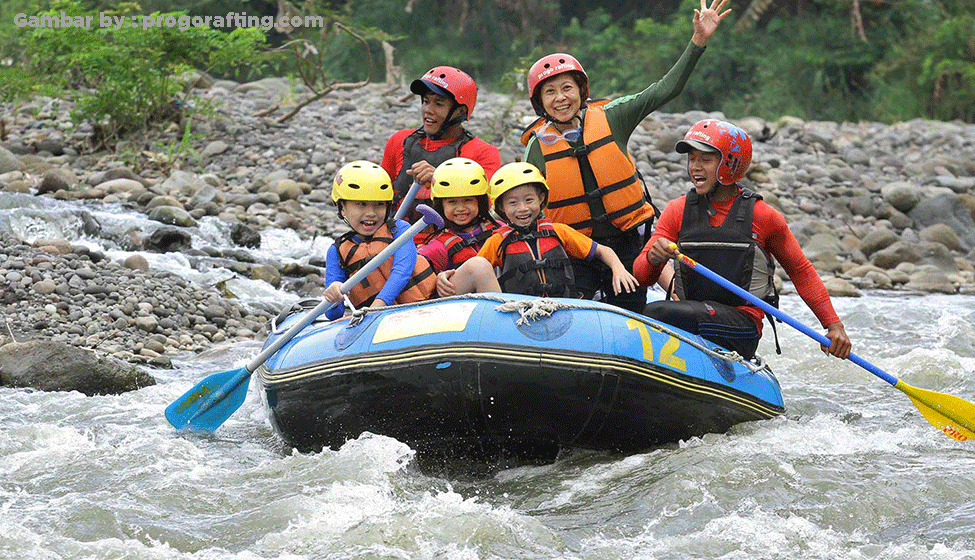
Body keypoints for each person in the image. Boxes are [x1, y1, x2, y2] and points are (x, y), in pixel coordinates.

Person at [521, 0, 732, 313]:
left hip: (627, 242)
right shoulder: (536, 148)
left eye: (566, 87)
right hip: (576, 251)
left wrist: (698, 42)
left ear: (581, 90)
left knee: (631, 311)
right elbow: (525, 206)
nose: (560, 98)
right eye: (549, 92)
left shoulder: (613, 117)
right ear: (540, 103)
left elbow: (665, 89)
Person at [633, 119, 852, 360]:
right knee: (643, 312)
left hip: (741, 326)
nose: (695, 167)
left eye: (705, 160)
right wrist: (653, 259)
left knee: (658, 313)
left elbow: (800, 272)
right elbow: (642, 275)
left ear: (729, 165)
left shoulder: (763, 216)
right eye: (692, 158)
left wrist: (833, 326)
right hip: (689, 313)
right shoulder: (677, 211)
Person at [437, 162, 638, 299]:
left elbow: (603, 251)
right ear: (501, 209)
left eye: (529, 200)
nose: (523, 208)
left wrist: (618, 269)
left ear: (541, 199)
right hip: (519, 312)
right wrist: (443, 277)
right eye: (513, 203)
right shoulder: (498, 240)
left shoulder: (559, 231)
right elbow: (477, 271)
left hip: (562, 307)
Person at [381, 65, 501, 220]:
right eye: (426, 101)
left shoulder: (483, 152)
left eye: (439, 104)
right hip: (398, 239)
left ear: (460, 111)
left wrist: (440, 179)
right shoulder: (399, 141)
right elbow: (379, 195)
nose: (428, 110)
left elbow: (485, 205)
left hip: (451, 241)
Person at [323, 160, 436, 320]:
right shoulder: (337, 251)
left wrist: (375, 309)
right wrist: (334, 295)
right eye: (361, 204)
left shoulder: (400, 229)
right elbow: (333, 314)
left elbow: (402, 272)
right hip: (376, 323)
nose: (371, 213)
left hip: (424, 308)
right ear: (342, 207)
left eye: (378, 205)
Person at [417, 157, 500, 272]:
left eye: (468, 200)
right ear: (441, 206)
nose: (460, 208)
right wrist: (440, 278)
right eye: (452, 202)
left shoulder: (500, 231)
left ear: (480, 202)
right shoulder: (438, 246)